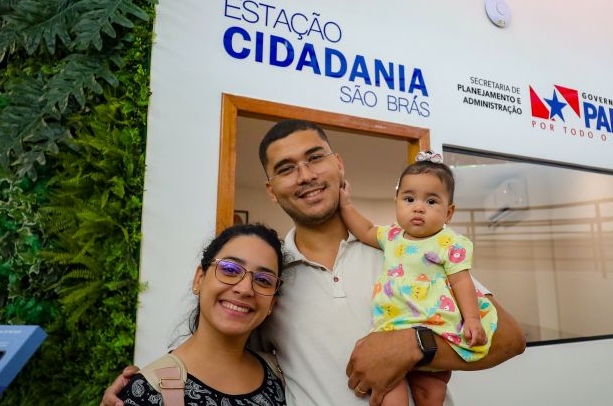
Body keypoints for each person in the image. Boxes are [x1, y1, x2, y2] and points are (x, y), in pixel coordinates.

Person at [103, 120, 525, 406]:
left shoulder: (405, 248)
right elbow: (219, 347)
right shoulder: (268, 281)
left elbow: (508, 339)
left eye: (315, 158)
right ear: (271, 190)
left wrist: (416, 344)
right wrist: (150, 386)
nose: (304, 175)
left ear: (338, 165)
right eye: (286, 169)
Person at [338, 151, 497, 406]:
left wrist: (472, 319)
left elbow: (461, 282)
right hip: (393, 327)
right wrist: (346, 205)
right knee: (391, 392)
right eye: (409, 199)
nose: (419, 207)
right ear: (397, 202)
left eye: (432, 201)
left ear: (449, 212)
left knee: (432, 394)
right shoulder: (391, 237)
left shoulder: (449, 242)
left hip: (434, 328)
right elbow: (365, 229)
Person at [116, 224, 286, 405]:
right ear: (199, 279)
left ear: (271, 304)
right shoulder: (147, 391)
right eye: (230, 269)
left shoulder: (281, 376)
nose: (244, 289)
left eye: (263, 280)